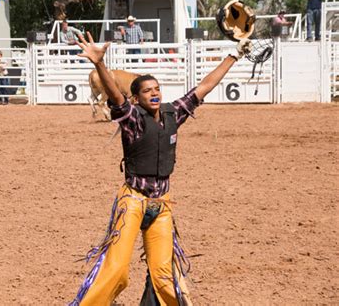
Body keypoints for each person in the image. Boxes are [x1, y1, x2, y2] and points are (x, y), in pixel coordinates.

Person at [69, 32, 252, 305]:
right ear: (136, 98)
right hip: (132, 202)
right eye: (146, 90)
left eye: (156, 89)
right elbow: (116, 96)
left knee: (164, 274)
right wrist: (99, 64)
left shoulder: (172, 114)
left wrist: (234, 55)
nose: (154, 93)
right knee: (116, 270)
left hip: (162, 205)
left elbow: (204, 87)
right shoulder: (132, 119)